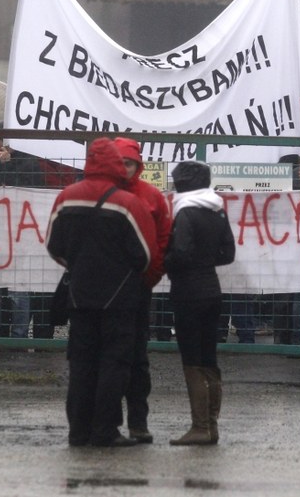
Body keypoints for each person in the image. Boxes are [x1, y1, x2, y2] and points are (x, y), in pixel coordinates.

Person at [46, 137, 157, 447]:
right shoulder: (127, 203)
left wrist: (78, 267)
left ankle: (78, 431)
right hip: (120, 299)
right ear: (114, 164)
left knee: (81, 363)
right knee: (114, 364)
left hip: (79, 296)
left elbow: (54, 246)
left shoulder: (66, 198)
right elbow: (145, 254)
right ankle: (104, 430)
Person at [165, 160, 236, 445]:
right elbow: (228, 253)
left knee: (191, 359)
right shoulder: (217, 210)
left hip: (187, 292)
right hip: (211, 289)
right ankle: (211, 424)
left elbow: (180, 253)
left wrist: (164, 261)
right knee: (209, 358)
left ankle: (200, 426)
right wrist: (205, 262)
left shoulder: (185, 213)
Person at [113, 137, 172, 444]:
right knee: (112, 358)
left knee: (137, 357)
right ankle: (110, 423)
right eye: (120, 162)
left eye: (129, 163)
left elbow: (163, 239)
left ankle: (138, 422)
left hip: (137, 287)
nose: (124, 168)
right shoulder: (107, 193)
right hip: (111, 287)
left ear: (138, 165)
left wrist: (150, 276)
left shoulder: (151, 196)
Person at [0, 141, 49, 339]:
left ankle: (18, 335)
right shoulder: (4, 162)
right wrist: (2, 165)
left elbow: (24, 191)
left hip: (21, 234)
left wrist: (7, 165)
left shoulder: (29, 163)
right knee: (1, 287)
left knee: (18, 289)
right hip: (3, 231)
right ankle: (5, 333)